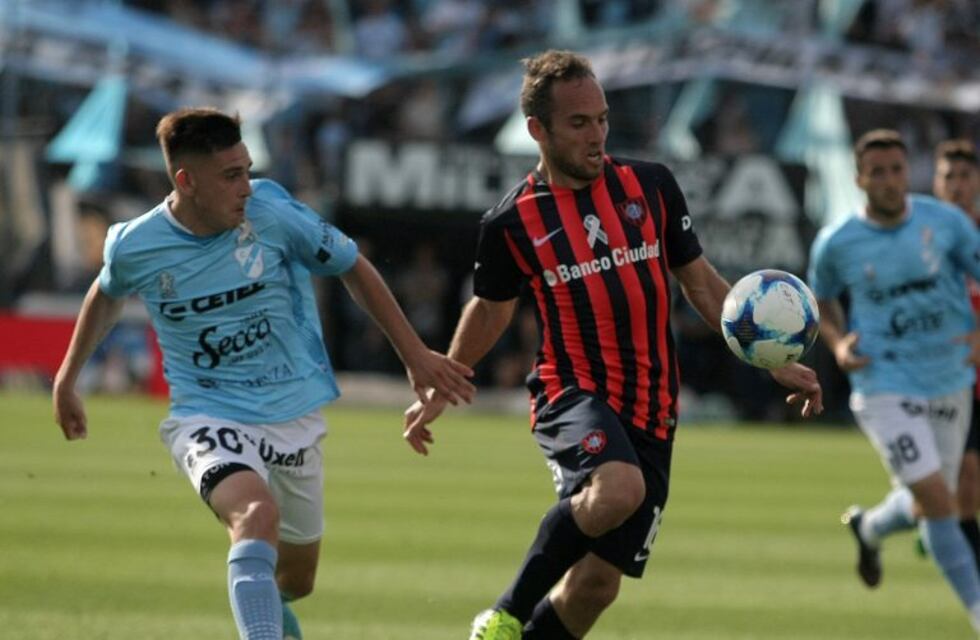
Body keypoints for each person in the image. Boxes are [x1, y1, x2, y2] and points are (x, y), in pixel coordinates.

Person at [402, 50, 823, 640]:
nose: (597, 134)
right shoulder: (512, 222)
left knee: (597, 588)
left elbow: (699, 282)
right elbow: (492, 310)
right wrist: (442, 382)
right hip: (570, 391)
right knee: (618, 489)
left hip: (654, 406)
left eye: (601, 118)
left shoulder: (651, 186)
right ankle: (503, 615)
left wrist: (769, 359)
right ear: (537, 131)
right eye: (579, 123)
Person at [51, 107, 475, 640]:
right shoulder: (136, 243)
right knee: (255, 515)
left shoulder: (274, 213)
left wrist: (416, 356)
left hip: (292, 413)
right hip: (206, 413)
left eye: (247, 169)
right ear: (186, 180)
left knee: (296, 578)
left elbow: (352, 266)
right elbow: (106, 293)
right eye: (231, 176)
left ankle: (264, 607)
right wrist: (67, 378)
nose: (246, 187)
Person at [808, 129, 980, 632]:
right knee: (939, 500)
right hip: (883, 382)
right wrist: (838, 344)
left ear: (910, 172)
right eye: (877, 172)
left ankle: (870, 527)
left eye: (896, 170)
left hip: (949, 375)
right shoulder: (836, 242)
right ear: (859, 179)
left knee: (931, 502)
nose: (888, 182)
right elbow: (820, 300)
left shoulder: (945, 223)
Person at [935, 139, 980, 567]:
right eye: (950, 177)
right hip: (947, 381)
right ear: (937, 183)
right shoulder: (920, 243)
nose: (958, 186)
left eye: (965, 177)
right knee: (965, 481)